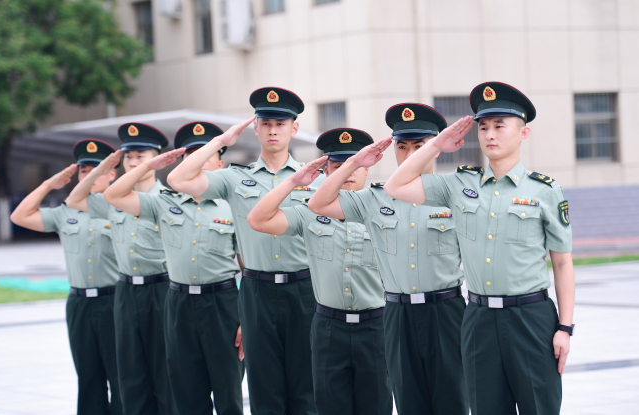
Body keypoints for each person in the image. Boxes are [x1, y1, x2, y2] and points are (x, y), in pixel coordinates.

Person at [383, 82, 575, 415]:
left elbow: (562, 263)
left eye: (500, 125)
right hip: (478, 319)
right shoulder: (460, 184)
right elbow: (395, 185)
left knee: (539, 407)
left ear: (523, 133)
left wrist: (565, 328)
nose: (489, 134)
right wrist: (436, 146)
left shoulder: (545, 190)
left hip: (530, 318)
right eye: (483, 127)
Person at [167, 87, 321, 415]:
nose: (273, 130)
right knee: (264, 391)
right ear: (255, 127)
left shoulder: (315, 180)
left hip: (305, 290)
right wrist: (220, 142)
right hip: (257, 291)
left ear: (294, 128)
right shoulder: (236, 178)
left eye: (281, 123)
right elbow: (178, 179)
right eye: (265, 122)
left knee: (306, 391)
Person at [307, 105, 468, 415]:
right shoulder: (374, 198)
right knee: (409, 402)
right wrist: (353, 161)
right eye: (402, 146)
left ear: (436, 148)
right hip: (397, 313)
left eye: (419, 146)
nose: (409, 155)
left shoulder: (455, 193)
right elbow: (318, 203)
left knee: (453, 401)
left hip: (446, 313)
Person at [247, 128, 393, 415]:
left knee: (376, 407)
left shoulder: (384, 209)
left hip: (376, 327)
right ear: (327, 171)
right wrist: (292, 181)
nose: (347, 173)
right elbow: (258, 220)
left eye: (354, 165)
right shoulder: (309, 213)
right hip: (329, 328)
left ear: (366, 169)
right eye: (338, 166)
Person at [102, 121, 245, 415]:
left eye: (207, 154)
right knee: (186, 393)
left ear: (220, 161)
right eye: (192, 155)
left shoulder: (235, 206)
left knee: (228, 394)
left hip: (223, 305)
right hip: (178, 304)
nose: (199, 162)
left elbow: (249, 267)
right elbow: (114, 196)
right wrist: (148, 166)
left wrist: (246, 316)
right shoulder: (163, 203)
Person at [66, 123, 176, 415]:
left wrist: (143, 168)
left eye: (142, 156)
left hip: (162, 290)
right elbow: (74, 199)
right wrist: (105, 164)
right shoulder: (113, 201)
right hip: (126, 292)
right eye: (130, 157)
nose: (134, 162)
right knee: (131, 376)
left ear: (157, 159)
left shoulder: (170, 200)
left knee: (165, 374)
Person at [10, 139, 121, 415]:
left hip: (115, 301)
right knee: (88, 378)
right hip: (79, 305)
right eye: (84, 171)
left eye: (96, 170)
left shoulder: (121, 208)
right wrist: (49, 184)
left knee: (122, 378)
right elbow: (19, 216)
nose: (89, 176)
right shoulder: (65, 213)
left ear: (111, 174)